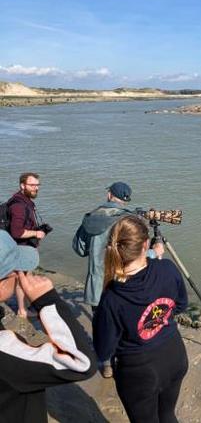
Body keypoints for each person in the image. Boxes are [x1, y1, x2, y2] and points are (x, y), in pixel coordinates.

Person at [94, 215, 188, 423]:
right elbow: (180, 305)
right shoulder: (168, 268)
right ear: (146, 245)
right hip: (174, 354)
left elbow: (103, 350)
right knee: (167, 414)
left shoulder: (111, 298)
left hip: (138, 371)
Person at [0, 230, 97, 423]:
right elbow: (82, 364)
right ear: (2, 285)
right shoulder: (4, 346)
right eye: (18, 272)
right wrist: (47, 300)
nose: (22, 276)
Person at [73, 182, 162, 309]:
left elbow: (79, 249)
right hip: (123, 288)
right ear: (126, 200)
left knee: (100, 325)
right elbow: (135, 256)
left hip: (97, 289)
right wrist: (154, 252)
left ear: (109, 195)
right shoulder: (129, 222)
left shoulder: (91, 217)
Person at [6, 172, 51, 318]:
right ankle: (21, 310)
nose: (36, 188)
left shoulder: (23, 199)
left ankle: (23, 307)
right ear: (22, 185)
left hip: (24, 246)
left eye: (37, 185)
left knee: (24, 275)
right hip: (21, 246)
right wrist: (36, 234)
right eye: (32, 185)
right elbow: (17, 232)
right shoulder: (19, 205)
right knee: (22, 277)